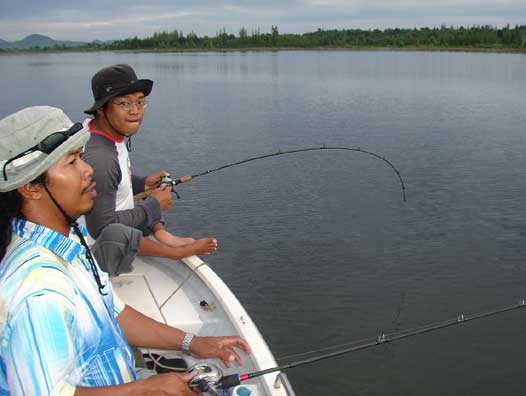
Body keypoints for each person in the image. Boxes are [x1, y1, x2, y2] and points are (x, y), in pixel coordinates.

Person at [0, 106, 251, 394]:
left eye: (81, 157)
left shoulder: (71, 240)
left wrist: (193, 343)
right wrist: (143, 390)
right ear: (30, 187)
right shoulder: (38, 293)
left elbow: (113, 311)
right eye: (71, 163)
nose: (87, 170)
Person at [81, 64, 217, 275]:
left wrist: (141, 183)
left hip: (110, 216)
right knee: (148, 207)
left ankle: (161, 234)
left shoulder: (100, 132)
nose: (135, 111)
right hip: (99, 248)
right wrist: (154, 207)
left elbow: (115, 181)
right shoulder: (101, 158)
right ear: (101, 109)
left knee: (148, 200)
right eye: (123, 103)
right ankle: (172, 252)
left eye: (140, 101)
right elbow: (102, 228)